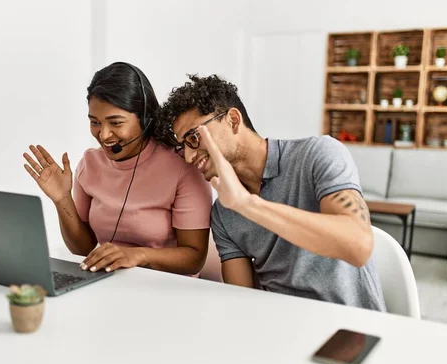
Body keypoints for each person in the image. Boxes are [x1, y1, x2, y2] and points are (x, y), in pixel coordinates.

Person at [157, 74, 386, 311]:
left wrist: (246, 204)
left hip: (350, 328)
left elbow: (358, 246)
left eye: (194, 137)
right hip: (278, 327)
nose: (188, 156)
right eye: (181, 146)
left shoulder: (317, 155)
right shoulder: (223, 214)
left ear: (233, 121)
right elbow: (242, 301)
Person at [23, 62, 212, 275]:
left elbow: (194, 258)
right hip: (109, 282)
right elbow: (81, 248)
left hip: (165, 288)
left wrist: (138, 255)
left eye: (116, 123)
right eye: (95, 122)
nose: (103, 135)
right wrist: (62, 199)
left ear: (144, 119)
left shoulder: (182, 166)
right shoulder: (90, 163)